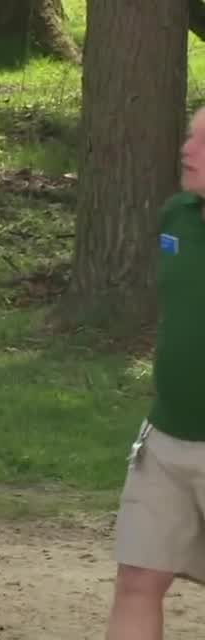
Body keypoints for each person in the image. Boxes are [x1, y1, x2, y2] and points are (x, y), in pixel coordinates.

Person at [105, 107, 205, 640]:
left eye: (201, 142)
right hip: (165, 438)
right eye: (189, 135)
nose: (186, 150)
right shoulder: (177, 218)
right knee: (138, 578)